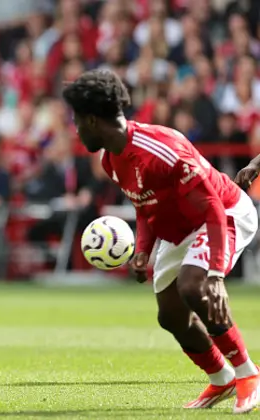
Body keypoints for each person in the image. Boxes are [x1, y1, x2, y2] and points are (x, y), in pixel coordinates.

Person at [62, 69, 260, 414]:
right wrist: (142, 250)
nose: (76, 130)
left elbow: (212, 205)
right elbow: (144, 204)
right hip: (179, 228)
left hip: (225, 213)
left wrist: (214, 275)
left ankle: (248, 375)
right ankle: (222, 378)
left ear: (93, 120)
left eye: (78, 121)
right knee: (170, 316)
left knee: (193, 286)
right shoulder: (111, 159)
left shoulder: (161, 150)